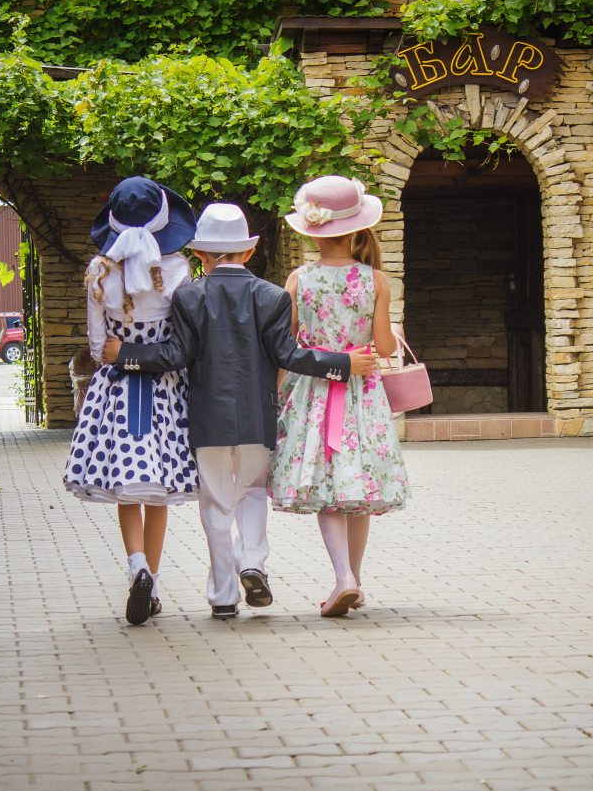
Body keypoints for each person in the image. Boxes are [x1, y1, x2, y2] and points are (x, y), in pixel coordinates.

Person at [103, 204, 378, 620]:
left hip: (207, 417)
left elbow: (175, 355)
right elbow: (289, 355)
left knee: (216, 504)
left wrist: (125, 355)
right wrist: (343, 364)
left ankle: (223, 596)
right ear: (249, 252)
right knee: (251, 492)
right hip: (257, 414)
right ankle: (252, 562)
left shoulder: (188, 297)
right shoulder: (272, 296)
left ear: (200, 254)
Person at [270, 175, 410, 618]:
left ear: (312, 232)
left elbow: (286, 344)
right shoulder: (375, 280)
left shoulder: (300, 278)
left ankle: (343, 576)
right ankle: (355, 579)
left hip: (313, 391)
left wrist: (276, 394)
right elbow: (383, 347)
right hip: (361, 394)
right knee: (356, 484)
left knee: (323, 483)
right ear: (356, 229)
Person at [63, 177, 199, 626]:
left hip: (117, 389)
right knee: (158, 487)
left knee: (127, 481)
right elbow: (182, 337)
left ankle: (136, 565)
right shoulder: (177, 269)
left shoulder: (100, 271)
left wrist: (120, 347)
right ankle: (153, 583)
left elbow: (98, 346)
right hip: (165, 386)